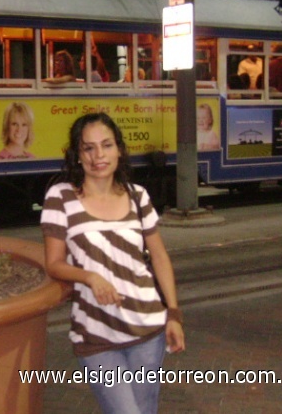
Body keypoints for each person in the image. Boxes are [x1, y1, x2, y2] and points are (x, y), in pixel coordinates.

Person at [40, 113, 185, 414]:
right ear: (77, 155)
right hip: (96, 334)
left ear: (119, 149)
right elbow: (54, 263)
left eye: (106, 145)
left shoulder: (138, 196)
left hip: (148, 329)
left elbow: (158, 256)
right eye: (88, 148)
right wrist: (90, 277)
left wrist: (173, 314)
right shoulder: (61, 197)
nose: (98, 155)